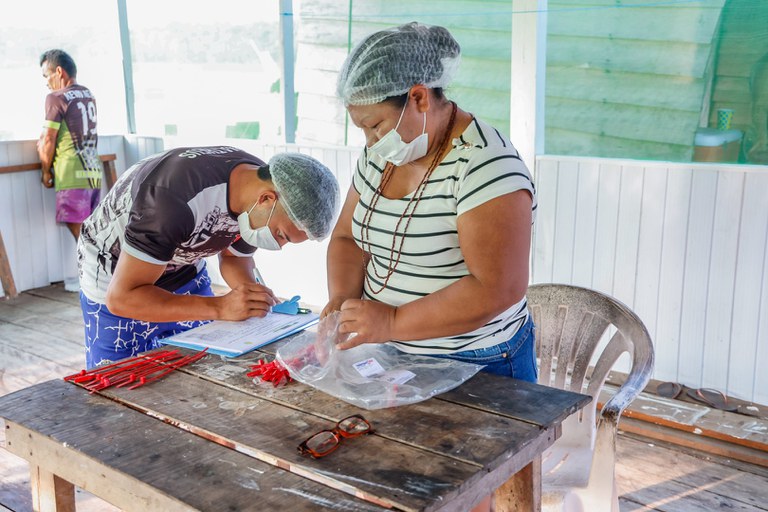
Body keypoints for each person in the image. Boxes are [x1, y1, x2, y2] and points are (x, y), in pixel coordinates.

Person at [325, 22, 538, 381]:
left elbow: (497, 289)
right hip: (390, 352)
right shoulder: (382, 154)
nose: (371, 142)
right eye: (362, 129)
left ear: (419, 98)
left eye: (375, 126)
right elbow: (347, 238)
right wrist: (341, 302)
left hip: (475, 361)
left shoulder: (485, 164)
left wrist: (392, 321)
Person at [77, 146, 340, 369]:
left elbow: (235, 258)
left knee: (197, 364)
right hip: (115, 274)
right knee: (120, 379)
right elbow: (122, 298)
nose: (279, 245)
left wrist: (251, 296)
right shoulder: (171, 199)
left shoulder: (255, 187)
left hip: (183, 264)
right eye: (281, 235)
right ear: (266, 199)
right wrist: (220, 307)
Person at [37, 49, 101, 242]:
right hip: (93, 174)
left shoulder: (56, 98)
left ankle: (99, 264)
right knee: (94, 235)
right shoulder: (88, 94)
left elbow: (48, 139)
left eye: (46, 76)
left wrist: (45, 171)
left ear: (59, 72)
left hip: (71, 174)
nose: (46, 83)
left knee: (84, 240)